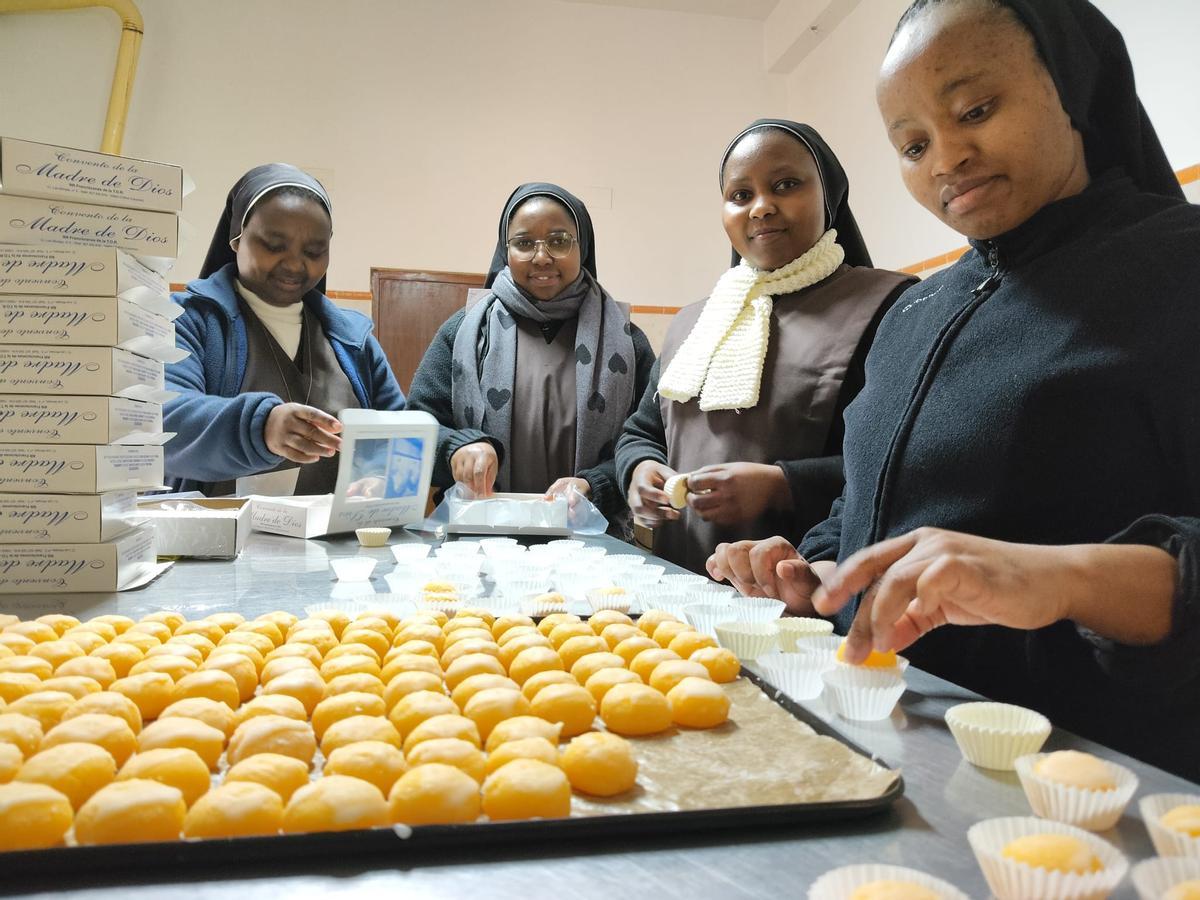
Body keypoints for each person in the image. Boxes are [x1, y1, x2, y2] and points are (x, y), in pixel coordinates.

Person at [708, 0, 1200, 780]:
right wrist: (814, 571)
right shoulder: (918, 309)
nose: (946, 158)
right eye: (911, 144)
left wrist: (1060, 577)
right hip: (886, 756)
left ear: (1071, 87)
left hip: (1085, 785)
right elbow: (873, 502)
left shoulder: (1180, 269)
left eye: (975, 109)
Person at [615, 120, 915, 574]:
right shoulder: (693, 323)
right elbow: (642, 432)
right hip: (675, 587)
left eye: (786, 184)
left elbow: (905, 461)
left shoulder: (886, 307)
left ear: (828, 195)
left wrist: (783, 485)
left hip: (799, 594)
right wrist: (639, 471)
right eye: (740, 195)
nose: (761, 207)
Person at [405, 183, 655, 527]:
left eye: (559, 241)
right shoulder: (464, 331)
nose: (541, 257)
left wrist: (594, 485)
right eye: (524, 243)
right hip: (481, 541)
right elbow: (415, 428)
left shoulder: (627, 341)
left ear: (582, 248)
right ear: (504, 250)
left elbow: (648, 441)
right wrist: (456, 449)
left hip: (592, 546)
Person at [164, 163, 404, 495]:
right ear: (236, 238)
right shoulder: (188, 321)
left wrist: (383, 477)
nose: (294, 264)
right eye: (274, 246)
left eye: (314, 251)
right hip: (215, 543)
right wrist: (260, 427)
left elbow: (400, 434)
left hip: (334, 545)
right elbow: (164, 424)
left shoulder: (353, 340)